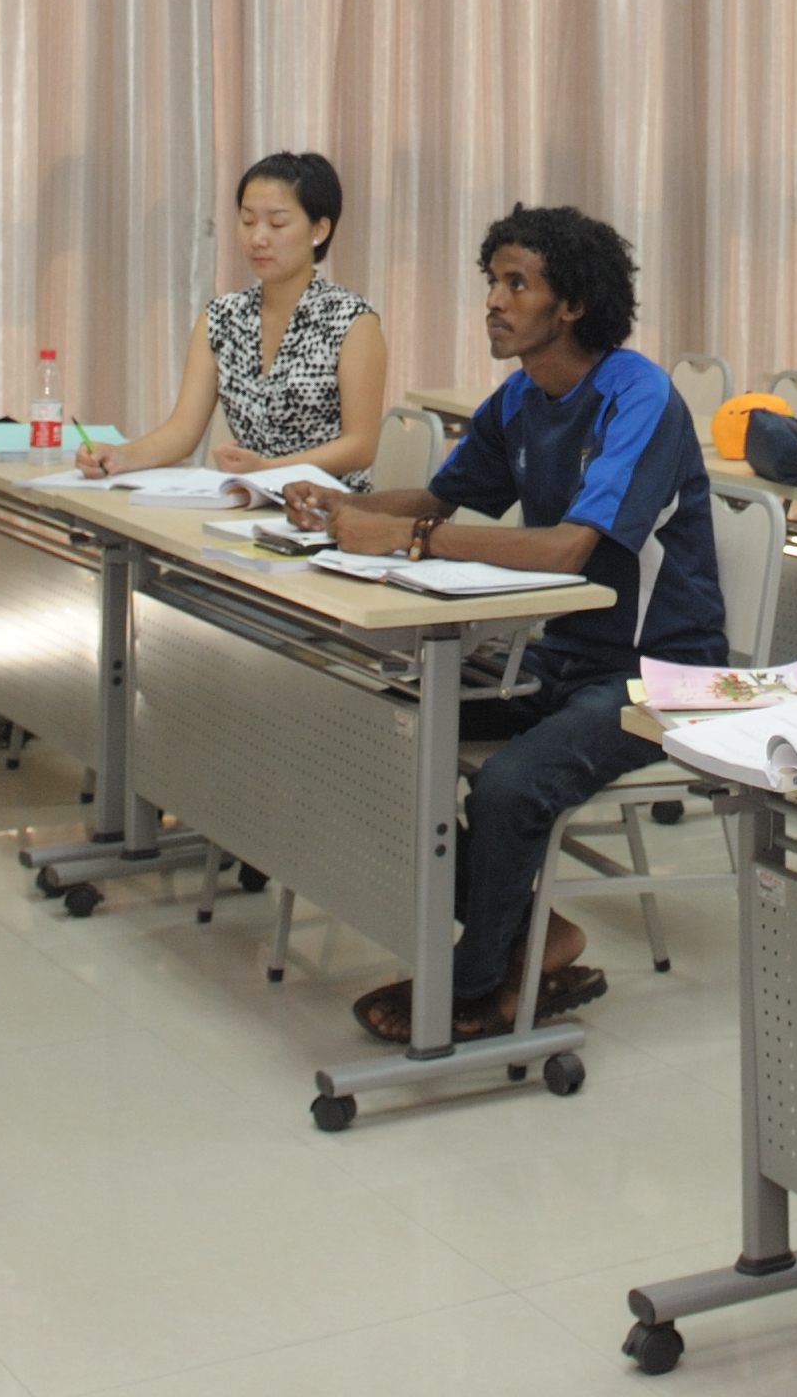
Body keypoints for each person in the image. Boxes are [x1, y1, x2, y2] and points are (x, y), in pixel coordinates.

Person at [281, 205, 720, 1048]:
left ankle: (475, 985)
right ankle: (533, 940)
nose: (494, 301)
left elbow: (566, 549)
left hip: (662, 675)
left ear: (573, 305)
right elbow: (440, 499)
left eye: (518, 285)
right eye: (493, 281)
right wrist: (341, 507)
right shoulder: (520, 396)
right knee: (376, 734)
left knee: (509, 787)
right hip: (565, 657)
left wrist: (407, 538)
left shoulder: (639, 396)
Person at [79, 150, 386, 478]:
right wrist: (121, 456)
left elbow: (360, 446)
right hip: (246, 497)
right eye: (247, 221)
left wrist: (268, 469)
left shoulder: (352, 321)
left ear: (319, 230)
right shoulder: (222, 318)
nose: (257, 238)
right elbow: (183, 430)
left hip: (328, 501)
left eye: (277, 223)